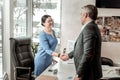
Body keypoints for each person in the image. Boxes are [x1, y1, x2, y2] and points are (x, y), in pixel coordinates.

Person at [60, 5, 102, 80]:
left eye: (81, 14)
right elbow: (81, 47)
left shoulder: (89, 28)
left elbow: (88, 53)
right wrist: (68, 56)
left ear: (85, 15)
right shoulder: (92, 26)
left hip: (88, 74)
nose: (80, 16)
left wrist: (79, 73)